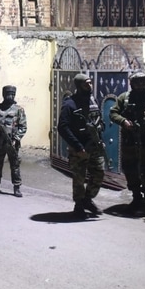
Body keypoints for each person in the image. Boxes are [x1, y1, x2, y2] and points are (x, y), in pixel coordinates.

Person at [109, 72, 145, 215]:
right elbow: (113, 113)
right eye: (137, 82)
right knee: (130, 168)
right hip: (129, 140)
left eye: (143, 82)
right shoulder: (124, 98)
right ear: (132, 84)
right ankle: (136, 197)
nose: (140, 85)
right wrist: (123, 121)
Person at [57, 73, 105, 218]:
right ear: (79, 86)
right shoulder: (69, 104)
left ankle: (87, 199)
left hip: (94, 145)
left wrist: (100, 136)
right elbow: (63, 127)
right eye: (86, 84)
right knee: (79, 177)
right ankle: (79, 204)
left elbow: (98, 119)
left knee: (99, 173)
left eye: (90, 83)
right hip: (79, 147)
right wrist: (78, 147)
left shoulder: (92, 100)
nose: (90, 86)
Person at [0, 85, 27, 197]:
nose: (11, 96)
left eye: (13, 94)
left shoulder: (19, 110)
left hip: (12, 143)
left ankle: (17, 187)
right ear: (4, 94)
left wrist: (16, 139)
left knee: (15, 165)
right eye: (8, 94)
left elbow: (23, 127)